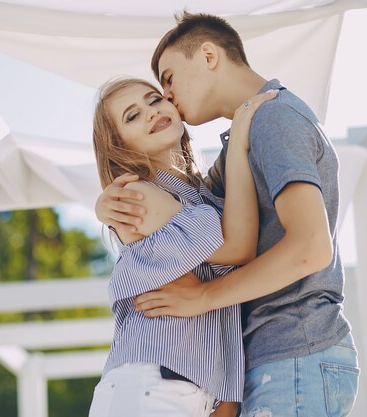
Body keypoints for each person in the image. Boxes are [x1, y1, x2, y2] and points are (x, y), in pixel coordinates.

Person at [95, 12, 360, 417]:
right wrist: (104, 204)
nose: (165, 100)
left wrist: (203, 297)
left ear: (207, 55)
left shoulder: (272, 118)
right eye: (135, 113)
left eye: (165, 83)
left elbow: (310, 247)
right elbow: (231, 234)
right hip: (175, 384)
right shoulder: (198, 183)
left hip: (291, 346)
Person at [88, 77, 276, 417]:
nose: (150, 112)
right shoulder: (136, 194)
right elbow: (237, 247)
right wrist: (238, 144)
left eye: (154, 99)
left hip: (186, 393)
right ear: (119, 146)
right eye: (132, 115)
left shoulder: (199, 194)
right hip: (150, 386)